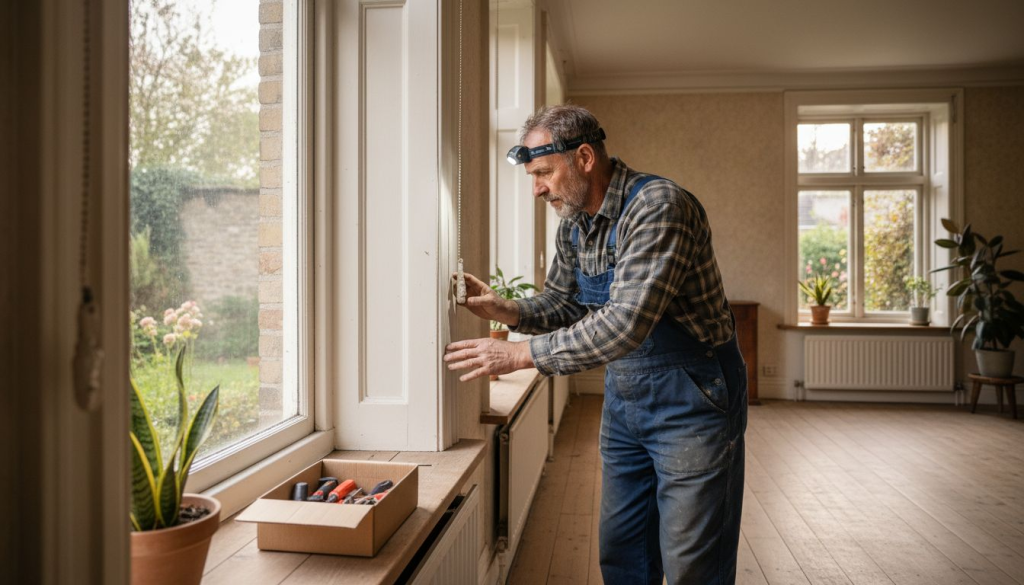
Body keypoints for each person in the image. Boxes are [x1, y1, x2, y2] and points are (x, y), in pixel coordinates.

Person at [444, 104, 747, 584]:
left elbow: (625, 323)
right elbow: (565, 303)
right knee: (623, 551)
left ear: (584, 157)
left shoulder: (658, 207)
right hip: (627, 399)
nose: (536, 188)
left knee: (692, 564)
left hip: (693, 396)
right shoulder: (575, 223)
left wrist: (520, 354)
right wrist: (507, 311)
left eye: (543, 172)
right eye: (532, 175)